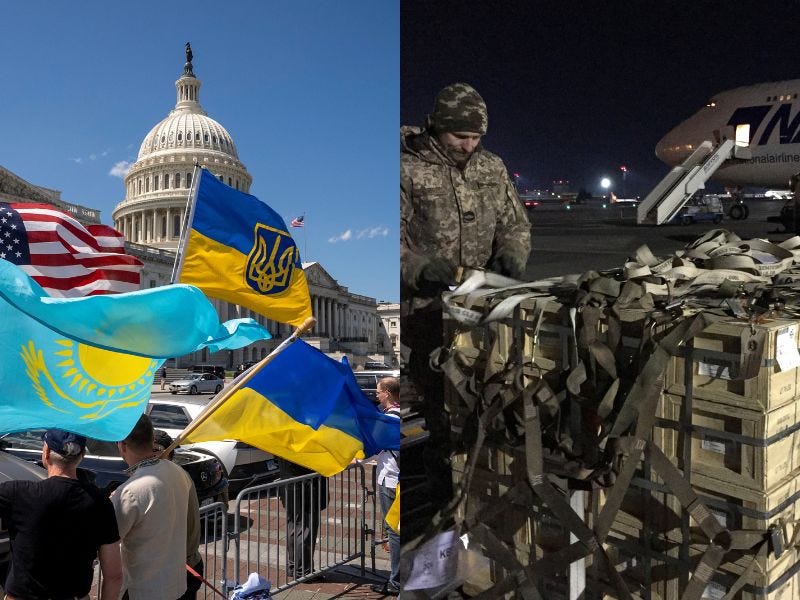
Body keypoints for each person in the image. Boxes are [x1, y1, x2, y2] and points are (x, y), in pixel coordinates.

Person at [400, 83, 532, 524]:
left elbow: (515, 223)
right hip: (425, 315)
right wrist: (421, 267)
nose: (469, 146)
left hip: (480, 312)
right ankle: (444, 508)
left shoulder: (491, 167)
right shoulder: (404, 168)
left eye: (476, 138)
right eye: (460, 137)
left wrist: (514, 253)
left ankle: (483, 500)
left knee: (489, 404)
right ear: (437, 126)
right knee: (442, 416)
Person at [0, 429, 122, 600]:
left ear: (47, 453)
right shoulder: (100, 503)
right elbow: (114, 575)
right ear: (81, 457)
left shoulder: (18, 493)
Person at [113, 414, 193, 600]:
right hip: (176, 585)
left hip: (144, 590)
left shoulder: (129, 492)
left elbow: (111, 537)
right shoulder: (178, 471)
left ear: (122, 445)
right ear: (152, 439)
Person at [154, 429, 204, 600]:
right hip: (183, 565)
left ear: (168, 452)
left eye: (155, 450)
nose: (150, 456)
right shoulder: (172, 475)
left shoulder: (170, 479)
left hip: (182, 567)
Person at [370, 377, 401, 596]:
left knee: (395, 531)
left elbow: (374, 446)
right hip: (393, 479)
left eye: (379, 391)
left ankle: (397, 581)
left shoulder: (390, 419)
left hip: (390, 481)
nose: (376, 395)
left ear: (388, 393)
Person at [277, 457, 328, 579]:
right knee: (305, 530)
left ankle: (294, 566)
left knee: (294, 526)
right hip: (306, 488)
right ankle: (303, 571)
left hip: (290, 484)